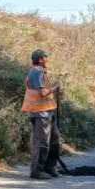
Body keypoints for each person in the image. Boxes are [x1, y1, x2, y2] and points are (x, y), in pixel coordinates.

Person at [21, 50, 62, 179]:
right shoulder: (36, 72)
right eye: (45, 58)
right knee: (42, 143)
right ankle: (37, 171)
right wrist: (55, 88)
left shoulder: (41, 72)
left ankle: (49, 167)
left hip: (47, 111)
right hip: (40, 113)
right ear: (40, 60)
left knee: (55, 141)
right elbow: (43, 93)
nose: (47, 60)